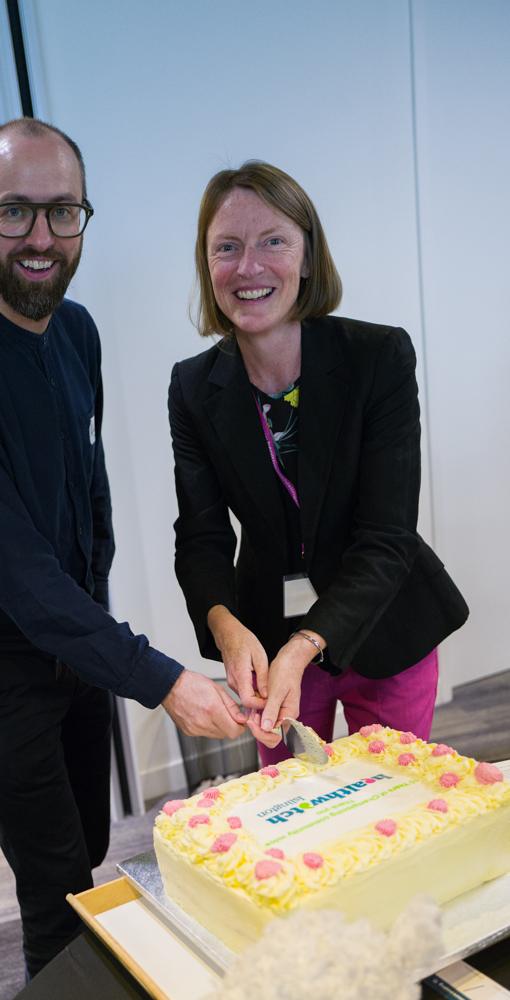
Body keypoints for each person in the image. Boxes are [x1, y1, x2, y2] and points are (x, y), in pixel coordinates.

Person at [0, 119, 246, 978]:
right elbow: (17, 579)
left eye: (62, 212)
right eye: (16, 212)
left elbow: (88, 496)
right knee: (53, 886)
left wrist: (97, 633)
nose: (42, 238)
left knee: (88, 836)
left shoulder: (75, 331)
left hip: (70, 637)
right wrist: (163, 680)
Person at [168, 161, 468, 764]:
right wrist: (225, 626)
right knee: (296, 815)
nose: (248, 266)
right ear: (207, 265)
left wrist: (307, 645)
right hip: (268, 643)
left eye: (272, 241)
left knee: (393, 806)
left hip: (386, 624)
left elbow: (387, 538)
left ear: (307, 256)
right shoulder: (192, 388)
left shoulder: (377, 357)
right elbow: (200, 537)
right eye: (227, 247)